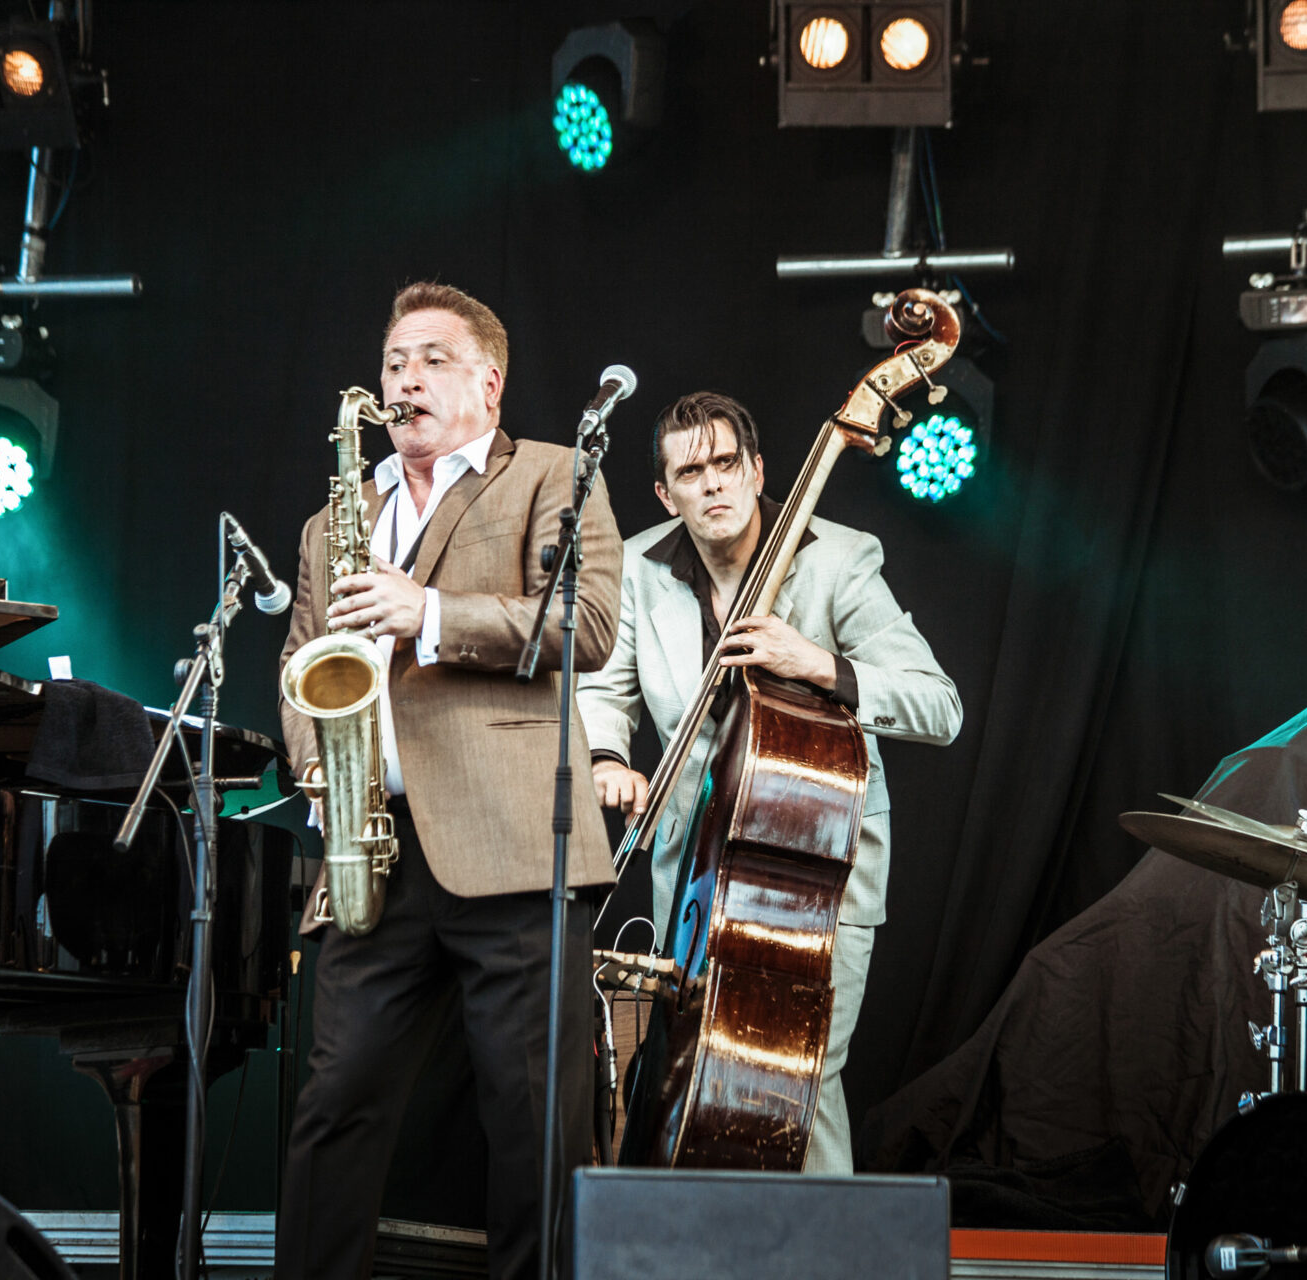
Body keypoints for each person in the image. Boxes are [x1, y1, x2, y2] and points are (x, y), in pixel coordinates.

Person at [274, 282, 622, 1280]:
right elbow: (305, 659)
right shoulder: (333, 517)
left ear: (488, 379)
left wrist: (425, 608)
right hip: (369, 843)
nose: (405, 378)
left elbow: (583, 628)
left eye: (430, 357)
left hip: (511, 838)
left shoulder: (555, 473)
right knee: (334, 1105)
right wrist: (314, 761)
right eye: (392, 362)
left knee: (529, 1119)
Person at [577, 389, 962, 1175]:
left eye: (726, 464)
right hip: (694, 874)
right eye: (691, 472)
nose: (712, 484)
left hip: (817, 874)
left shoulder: (838, 559)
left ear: (757, 470)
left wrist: (815, 662)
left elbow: (939, 705)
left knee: (801, 1081)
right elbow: (602, 691)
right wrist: (607, 761)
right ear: (665, 492)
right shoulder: (638, 569)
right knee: (691, 1083)